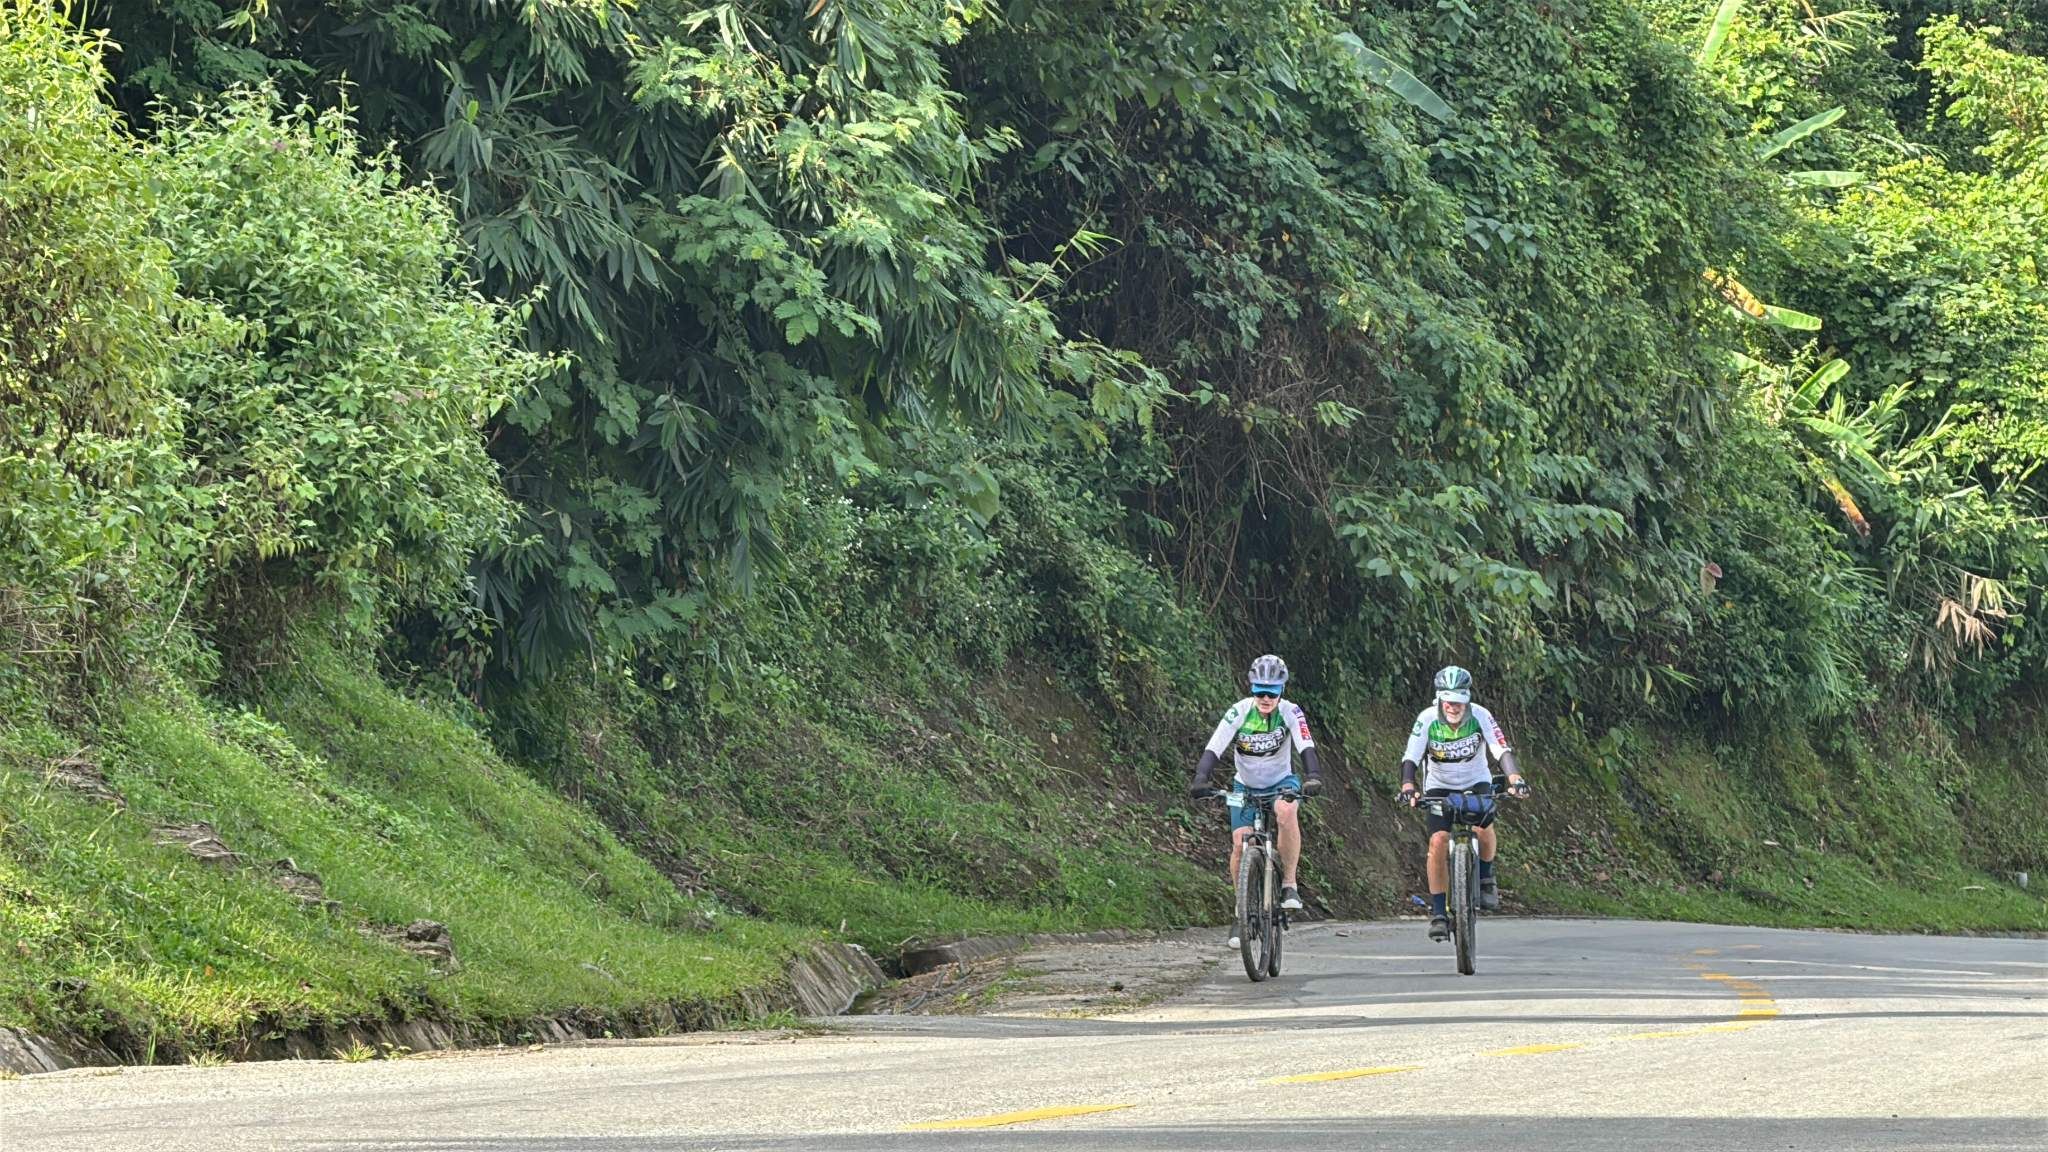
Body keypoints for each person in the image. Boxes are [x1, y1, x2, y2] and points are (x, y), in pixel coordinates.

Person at [1188, 655, 1324, 944]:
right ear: (1251, 688)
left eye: (1271, 692)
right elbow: (1215, 747)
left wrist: (1313, 775)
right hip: (1244, 786)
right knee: (1239, 842)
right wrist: (1201, 777)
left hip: (1281, 782)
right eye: (1260, 691)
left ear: (1281, 691)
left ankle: (1288, 884)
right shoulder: (1238, 712)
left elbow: (1306, 744)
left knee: (1286, 813)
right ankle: (1240, 913)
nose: (1265, 698)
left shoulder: (1290, 712)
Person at [1398, 665, 1529, 941]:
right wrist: (1408, 786)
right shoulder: (1427, 719)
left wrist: (1515, 779)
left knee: (1484, 827)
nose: (1453, 707)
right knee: (1437, 841)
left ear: (1467, 698)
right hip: (1439, 787)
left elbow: (1500, 749)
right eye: (1448, 700)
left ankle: (1486, 877)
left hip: (1475, 782)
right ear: (1439, 699)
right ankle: (1438, 914)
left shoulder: (1481, 715)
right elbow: (1411, 756)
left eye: (1458, 700)